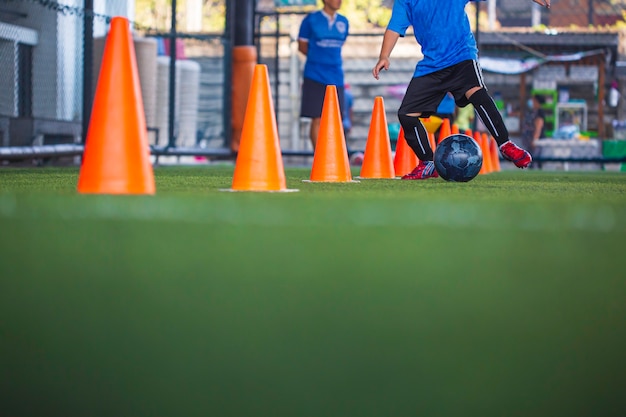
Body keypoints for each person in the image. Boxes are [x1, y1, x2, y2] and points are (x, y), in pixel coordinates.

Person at [372, 0, 550, 180]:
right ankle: (427, 163)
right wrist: (384, 56)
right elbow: (394, 27)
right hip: (431, 65)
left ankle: (505, 144)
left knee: (476, 93)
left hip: (461, 56)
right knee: (406, 114)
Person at [298, 0, 349, 149]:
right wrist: (319, 59)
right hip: (315, 75)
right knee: (317, 118)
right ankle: (318, 156)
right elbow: (302, 46)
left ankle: (332, 155)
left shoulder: (344, 22)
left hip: (336, 76)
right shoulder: (310, 20)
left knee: (336, 119)